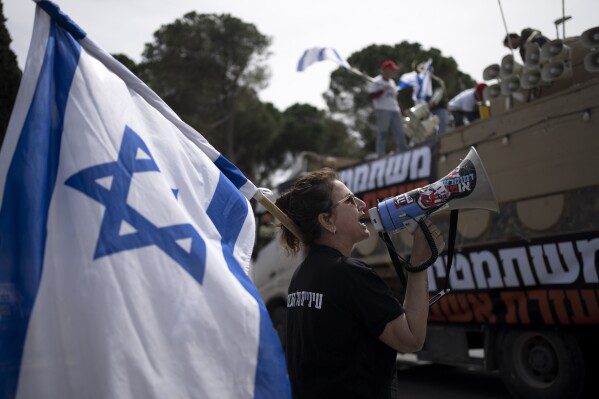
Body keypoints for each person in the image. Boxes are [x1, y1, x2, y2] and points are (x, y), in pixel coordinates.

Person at [275, 169, 445, 399]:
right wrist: (419, 263)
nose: (362, 204)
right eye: (349, 200)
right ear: (327, 220)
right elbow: (412, 338)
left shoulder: (301, 275)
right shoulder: (348, 274)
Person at [367, 60, 409, 158]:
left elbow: (395, 98)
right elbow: (371, 96)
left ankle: (404, 150)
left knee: (400, 132)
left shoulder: (392, 82)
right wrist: (382, 90)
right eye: (391, 70)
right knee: (382, 133)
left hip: (395, 110)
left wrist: (401, 111)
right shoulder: (377, 81)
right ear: (385, 70)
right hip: (382, 110)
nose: (393, 72)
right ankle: (380, 155)